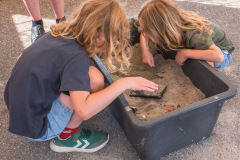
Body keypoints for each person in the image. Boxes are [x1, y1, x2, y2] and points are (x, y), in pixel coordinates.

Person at [4, 0, 158, 153]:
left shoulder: (56, 34)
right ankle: (66, 138)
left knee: (85, 76)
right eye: (114, 40)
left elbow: (20, 58)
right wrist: (124, 83)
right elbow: (84, 110)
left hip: (19, 111)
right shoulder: (76, 58)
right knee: (95, 79)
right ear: (100, 37)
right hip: (40, 127)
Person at [136, 0, 234, 68]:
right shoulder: (173, 23)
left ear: (163, 28)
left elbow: (219, 56)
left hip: (223, 51)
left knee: (201, 63)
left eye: (151, 31)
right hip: (206, 45)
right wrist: (146, 52)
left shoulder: (194, 34)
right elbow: (145, 33)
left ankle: (213, 70)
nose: (147, 33)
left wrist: (185, 53)